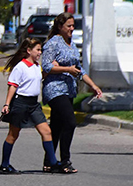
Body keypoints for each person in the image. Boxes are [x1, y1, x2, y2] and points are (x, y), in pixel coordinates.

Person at [41, 12, 102, 173]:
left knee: (57, 126)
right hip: (54, 89)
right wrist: (66, 69)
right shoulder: (53, 43)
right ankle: (64, 161)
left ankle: (49, 162)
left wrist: (93, 86)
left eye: (73, 25)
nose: (72, 29)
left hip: (68, 90)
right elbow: (46, 66)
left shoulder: (71, 44)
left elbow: (79, 70)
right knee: (70, 122)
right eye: (69, 26)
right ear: (60, 27)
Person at [0, 38, 68, 174]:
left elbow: (37, 78)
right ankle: (4, 165)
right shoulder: (20, 67)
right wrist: (7, 104)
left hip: (34, 104)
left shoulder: (36, 66)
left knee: (46, 131)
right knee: (13, 135)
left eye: (40, 50)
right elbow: (12, 86)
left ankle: (53, 163)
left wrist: (49, 70)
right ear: (29, 51)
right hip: (20, 103)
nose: (40, 53)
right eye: (38, 50)